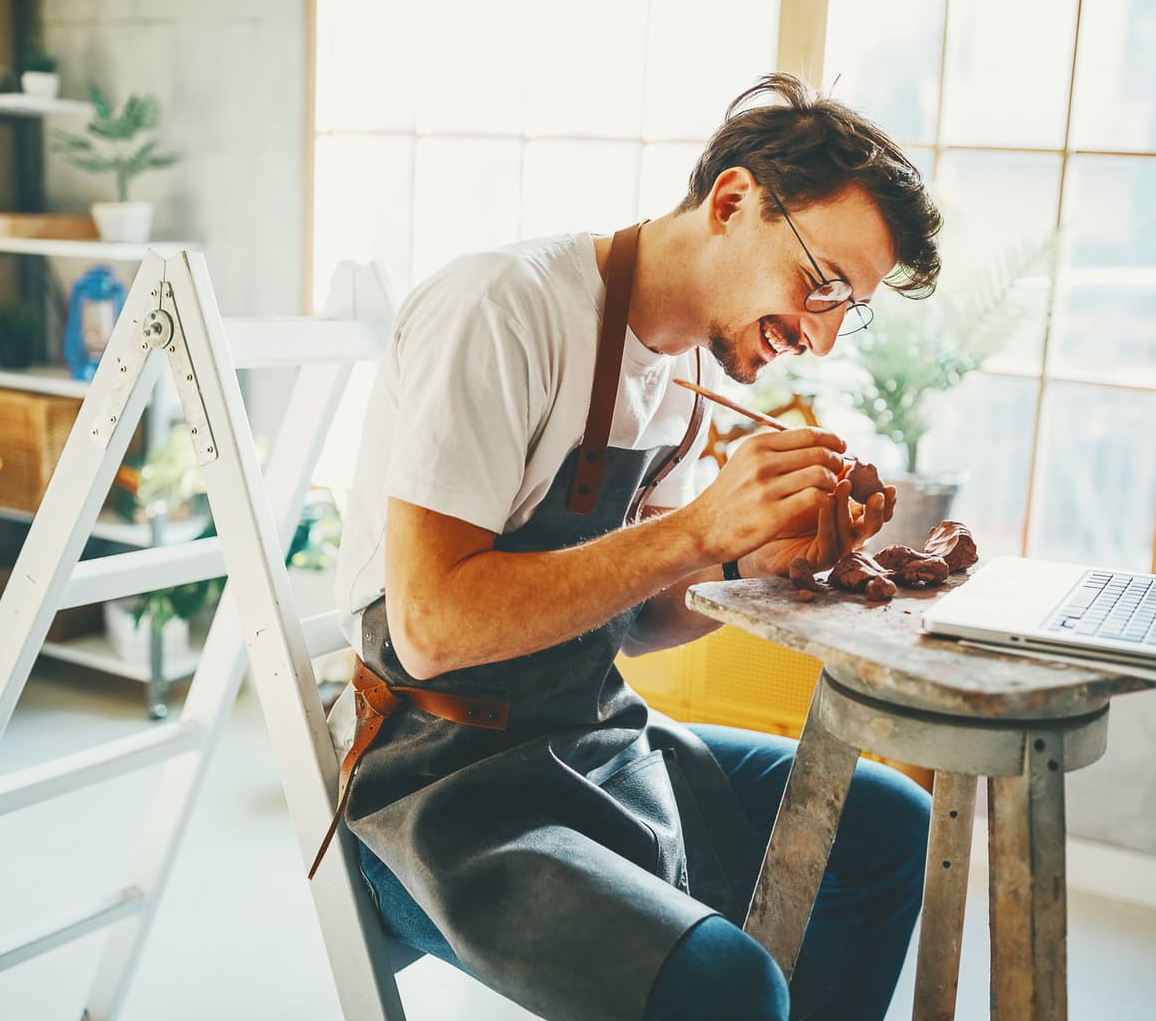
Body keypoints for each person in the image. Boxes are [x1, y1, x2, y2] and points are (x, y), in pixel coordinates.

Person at [326, 73, 943, 1021]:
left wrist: (750, 563)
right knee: (725, 987)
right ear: (733, 202)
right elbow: (432, 629)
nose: (820, 337)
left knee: (886, 821)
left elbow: (636, 627)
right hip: (434, 786)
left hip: (586, 734)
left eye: (846, 308)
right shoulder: (504, 308)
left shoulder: (690, 366)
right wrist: (696, 530)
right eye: (821, 283)